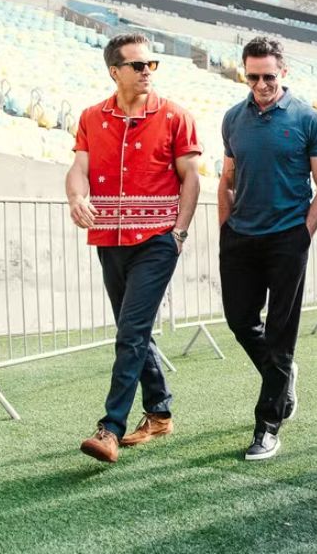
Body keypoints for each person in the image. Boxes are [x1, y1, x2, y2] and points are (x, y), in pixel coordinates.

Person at [68, 33, 202, 463]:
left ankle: (110, 428)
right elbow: (78, 169)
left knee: (129, 332)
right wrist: (76, 197)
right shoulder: (91, 117)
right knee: (134, 331)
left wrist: (178, 233)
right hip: (109, 239)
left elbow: (192, 179)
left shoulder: (176, 116)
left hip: (158, 240)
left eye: (151, 65)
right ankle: (159, 412)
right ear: (115, 71)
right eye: (138, 65)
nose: (147, 71)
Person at [218, 37, 317, 461]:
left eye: (269, 76)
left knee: (281, 333)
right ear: (244, 73)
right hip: (240, 238)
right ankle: (283, 376)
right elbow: (227, 177)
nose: (261, 84)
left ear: (283, 73)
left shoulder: (308, 119)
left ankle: (268, 425)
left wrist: (304, 232)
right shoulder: (233, 119)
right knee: (239, 320)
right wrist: (224, 228)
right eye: (253, 77)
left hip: (288, 237)